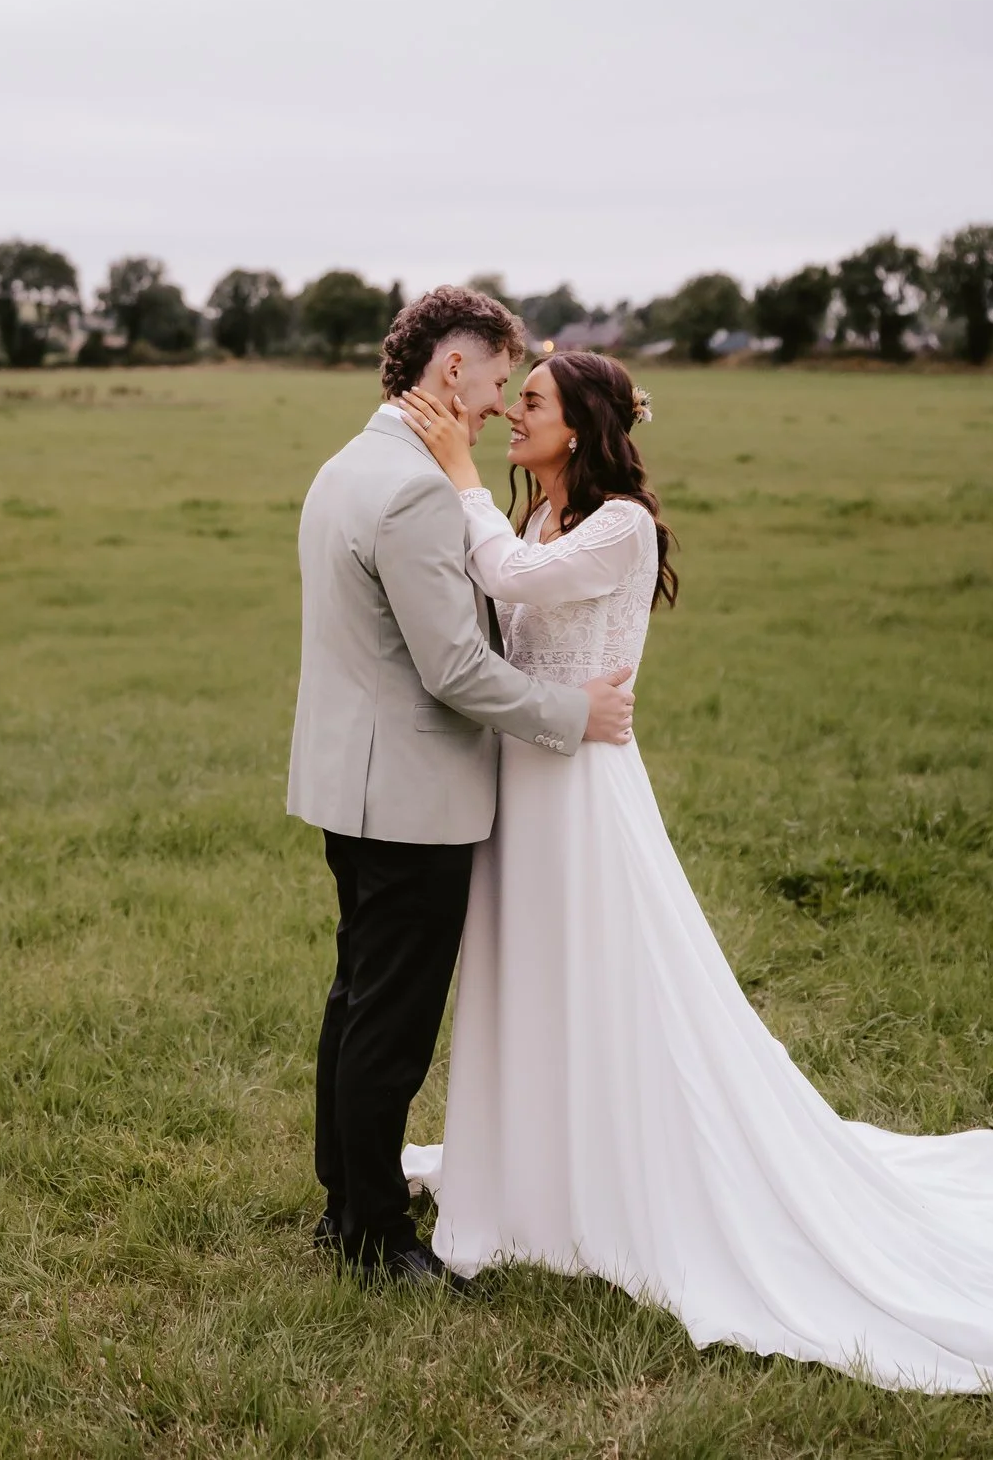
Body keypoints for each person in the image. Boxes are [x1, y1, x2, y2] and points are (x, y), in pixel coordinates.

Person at [389, 348, 993, 1406]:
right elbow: (499, 594)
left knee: (604, 981)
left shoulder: (619, 526)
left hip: (585, 794)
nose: (514, 413)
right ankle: (528, 1171)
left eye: (533, 402)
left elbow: (514, 587)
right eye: (513, 402)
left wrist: (458, 471)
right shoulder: (532, 517)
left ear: (586, 424)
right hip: (527, 780)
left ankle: (614, 1177)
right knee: (527, 980)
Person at [286, 286, 636, 1289]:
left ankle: (344, 1206)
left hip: (351, 787)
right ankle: (375, 1235)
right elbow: (453, 668)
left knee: (357, 1000)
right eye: (492, 380)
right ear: (451, 367)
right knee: (388, 1026)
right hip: (410, 799)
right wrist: (576, 716)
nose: (493, 403)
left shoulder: (345, 464)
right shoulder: (410, 491)